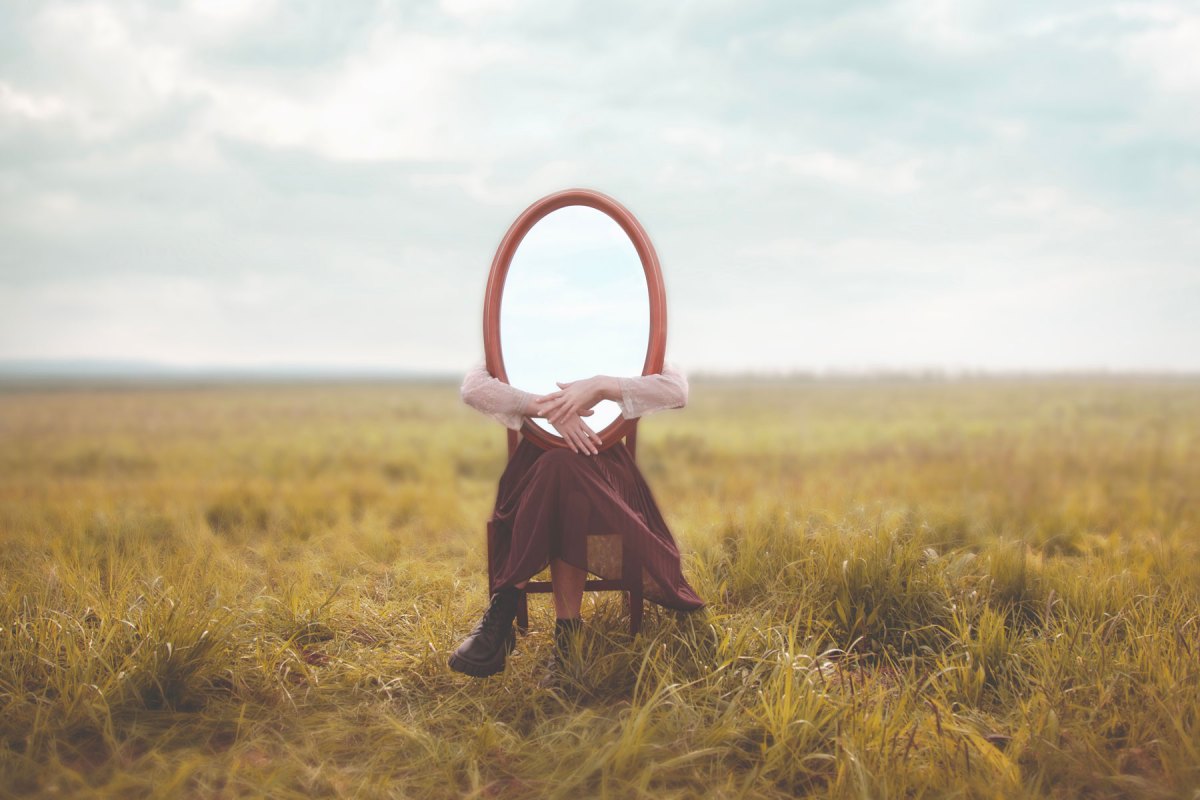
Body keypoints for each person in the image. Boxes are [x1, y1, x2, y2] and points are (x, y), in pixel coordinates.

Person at [448, 362, 705, 678]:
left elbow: (676, 391)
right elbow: (473, 388)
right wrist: (553, 409)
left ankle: (502, 614)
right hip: (534, 470)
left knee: (562, 473)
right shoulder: (524, 337)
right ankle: (567, 638)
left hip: (604, 467)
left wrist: (600, 385)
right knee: (559, 472)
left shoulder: (630, 336)